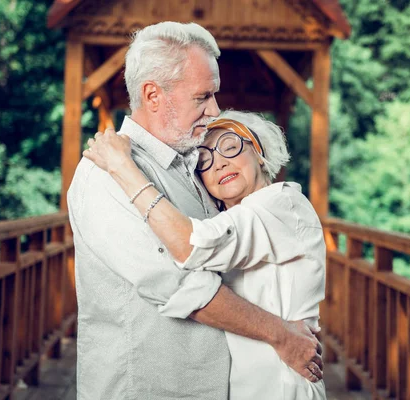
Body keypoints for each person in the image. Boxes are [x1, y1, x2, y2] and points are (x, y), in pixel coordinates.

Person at [67, 22, 322, 400]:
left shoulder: (193, 165)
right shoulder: (106, 174)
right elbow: (183, 286)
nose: (215, 110)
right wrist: (281, 334)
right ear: (152, 95)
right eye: (203, 97)